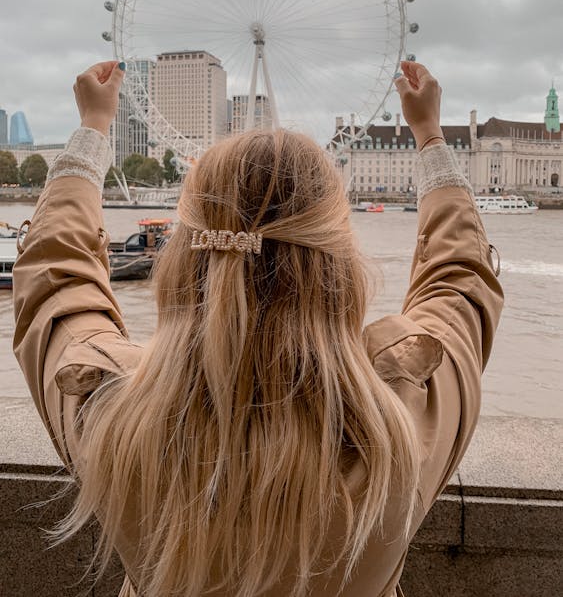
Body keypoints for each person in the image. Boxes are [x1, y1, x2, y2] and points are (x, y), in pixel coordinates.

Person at [13, 60, 503, 597]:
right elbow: (460, 282)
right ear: (340, 268)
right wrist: (430, 136)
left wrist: (91, 131)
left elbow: (53, 281)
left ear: (181, 261)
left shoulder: (106, 408)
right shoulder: (406, 417)